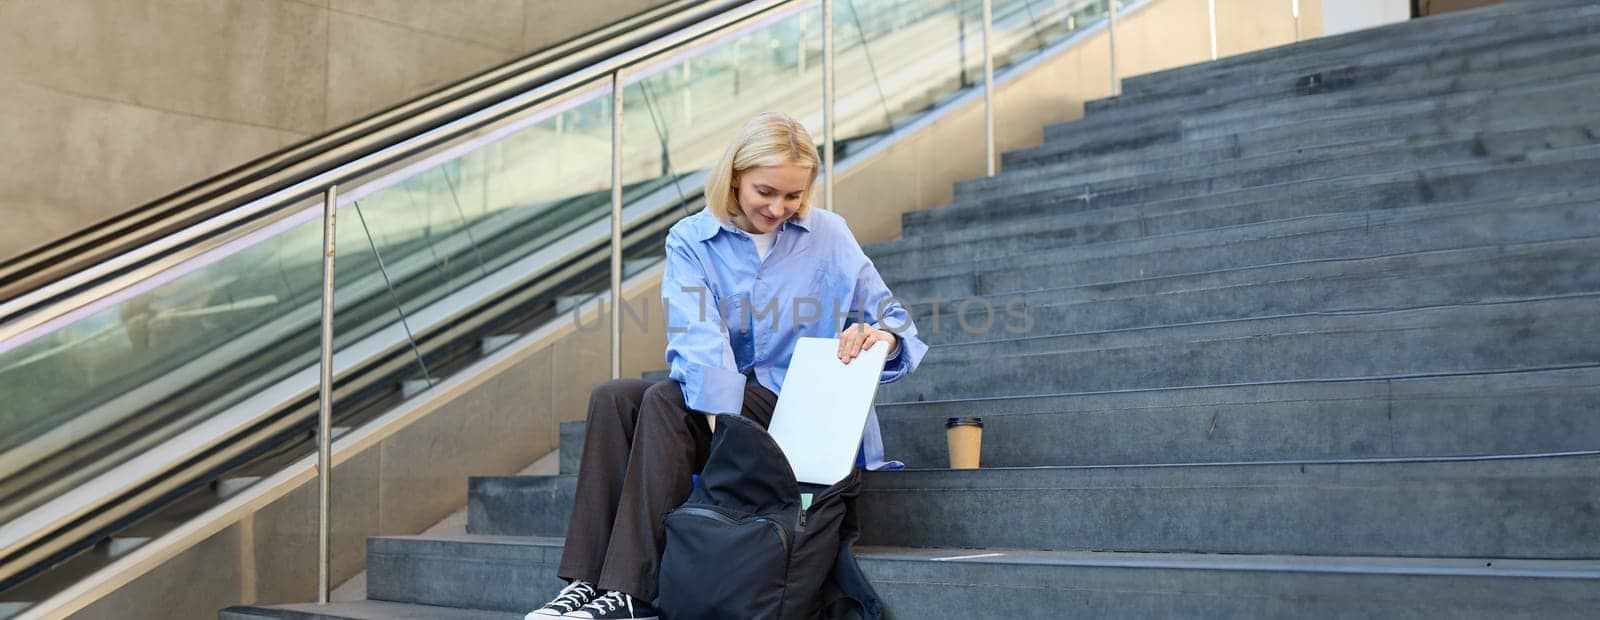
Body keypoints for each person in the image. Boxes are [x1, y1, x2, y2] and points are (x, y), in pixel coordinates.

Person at [528, 111, 926, 620]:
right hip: (724, 409)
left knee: (667, 398)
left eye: (794, 196)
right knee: (613, 397)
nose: (780, 207)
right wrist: (724, 430)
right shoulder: (691, 239)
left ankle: (633, 592)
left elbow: (892, 314)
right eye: (766, 192)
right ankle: (586, 583)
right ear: (735, 175)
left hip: (798, 406)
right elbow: (697, 339)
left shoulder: (830, 234)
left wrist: (882, 336)